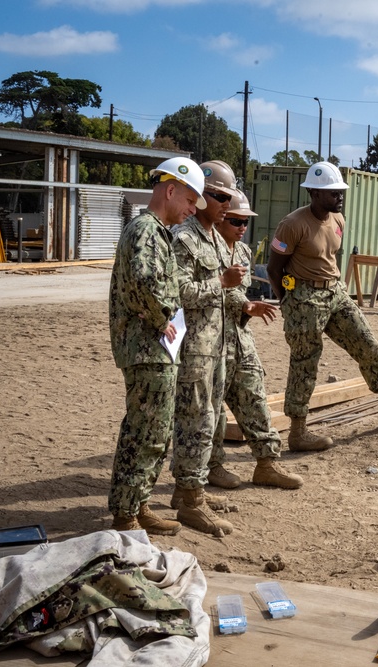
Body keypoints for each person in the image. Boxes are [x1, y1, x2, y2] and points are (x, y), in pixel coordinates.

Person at [266, 161, 378, 450]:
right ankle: (298, 433)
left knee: (368, 345)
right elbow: (273, 268)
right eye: (333, 193)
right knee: (305, 362)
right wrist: (288, 301)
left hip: (335, 294)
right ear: (313, 193)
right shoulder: (292, 225)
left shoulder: (339, 220)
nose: (339, 197)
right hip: (304, 298)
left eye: (340, 192)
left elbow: (329, 257)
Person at [107, 157, 206, 535]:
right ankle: (127, 515)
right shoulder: (147, 230)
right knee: (146, 431)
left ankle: (138, 504)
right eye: (190, 201)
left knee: (154, 430)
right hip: (147, 348)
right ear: (170, 190)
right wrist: (162, 318)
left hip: (153, 348)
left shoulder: (152, 230)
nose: (191, 210)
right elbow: (145, 283)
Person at [208, 190, 304, 490]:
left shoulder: (244, 253)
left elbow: (235, 293)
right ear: (222, 218)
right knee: (211, 411)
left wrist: (247, 305)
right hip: (210, 341)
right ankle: (213, 466)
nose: (241, 227)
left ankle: (267, 464)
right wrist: (240, 301)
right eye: (236, 220)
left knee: (255, 399)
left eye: (245, 222)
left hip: (239, 337)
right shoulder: (205, 248)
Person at [170, 160, 245, 536]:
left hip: (215, 345)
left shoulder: (215, 237)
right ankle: (190, 501)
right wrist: (221, 282)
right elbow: (179, 293)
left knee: (210, 419)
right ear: (199, 197)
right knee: (194, 421)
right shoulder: (184, 238)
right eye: (218, 197)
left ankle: (190, 489)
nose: (225, 205)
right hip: (194, 348)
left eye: (227, 198)